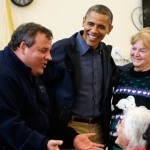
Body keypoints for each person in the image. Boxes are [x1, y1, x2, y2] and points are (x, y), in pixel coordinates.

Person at [0, 22, 104, 150]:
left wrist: (71, 138)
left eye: (49, 51)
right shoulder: (4, 74)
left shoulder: (32, 71)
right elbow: (7, 125)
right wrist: (42, 144)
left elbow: (46, 118)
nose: (49, 57)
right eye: (43, 51)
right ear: (23, 47)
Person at [43, 4, 119, 148]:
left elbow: (117, 77)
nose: (94, 30)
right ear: (83, 21)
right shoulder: (60, 50)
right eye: (90, 24)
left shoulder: (105, 53)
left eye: (101, 26)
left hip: (99, 129)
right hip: (68, 128)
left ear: (110, 29)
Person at [109, 28, 150, 150]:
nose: (136, 54)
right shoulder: (121, 74)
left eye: (142, 51)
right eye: (134, 48)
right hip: (115, 142)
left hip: (140, 146)